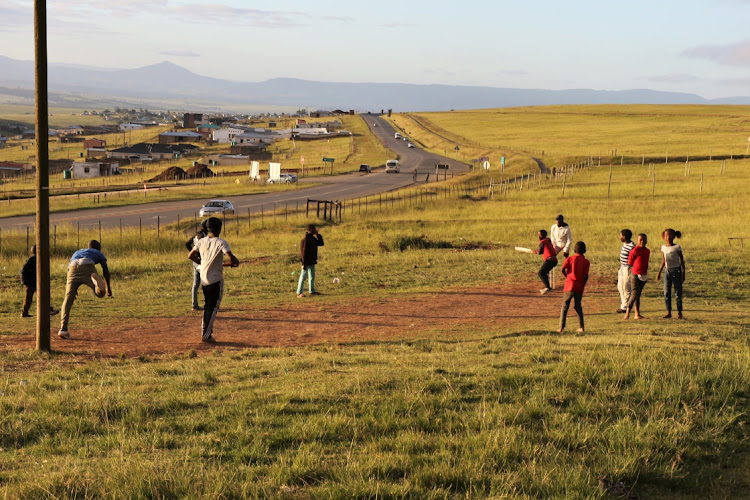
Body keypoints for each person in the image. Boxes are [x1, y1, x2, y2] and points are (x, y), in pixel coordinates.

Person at [188, 217, 239, 343]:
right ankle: (206, 335)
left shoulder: (201, 241)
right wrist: (234, 261)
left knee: (207, 306)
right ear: (219, 229)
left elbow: (190, 255)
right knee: (213, 307)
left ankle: (205, 331)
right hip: (215, 279)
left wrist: (201, 262)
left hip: (204, 278)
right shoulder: (221, 242)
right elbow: (230, 257)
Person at [58, 240, 112, 339]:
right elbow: (105, 270)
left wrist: (72, 285)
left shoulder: (77, 252)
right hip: (87, 266)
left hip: (73, 267)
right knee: (100, 294)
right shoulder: (98, 252)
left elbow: (68, 268)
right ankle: (98, 286)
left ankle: (63, 329)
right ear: (98, 248)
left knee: (68, 299)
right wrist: (108, 288)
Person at [558, 241, 590, 333]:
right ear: (584, 251)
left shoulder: (570, 259)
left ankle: (561, 327)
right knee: (577, 306)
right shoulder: (586, 262)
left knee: (565, 306)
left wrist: (567, 276)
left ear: (574, 250)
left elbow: (563, 269)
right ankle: (581, 327)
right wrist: (583, 284)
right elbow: (586, 275)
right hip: (579, 286)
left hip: (569, 285)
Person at [20, 245, 59, 318]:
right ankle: (24, 313)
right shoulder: (33, 260)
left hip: (35, 282)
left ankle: (48, 310)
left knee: (40, 296)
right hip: (32, 282)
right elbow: (23, 271)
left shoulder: (36, 259)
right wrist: (25, 281)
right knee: (31, 298)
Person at [656, 228, 685, 319]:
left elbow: (682, 260)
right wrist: (659, 272)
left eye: (669, 235)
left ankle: (679, 312)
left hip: (676, 271)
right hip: (667, 271)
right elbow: (663, 261)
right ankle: (668, 311)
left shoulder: (677, 247)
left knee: (677, 292)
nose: (668, 237)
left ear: (673, 236)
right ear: (664, 237)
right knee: (666, 292)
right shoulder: (663, 248)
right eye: (666, 235)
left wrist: (683, 273)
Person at [623, 233, 650, 320]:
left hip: (644, 274)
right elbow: (630, 263)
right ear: (637, 241)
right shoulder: (634, 251)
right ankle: (627, 313)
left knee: (638, 294)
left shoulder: (647, 251)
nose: (642, 241)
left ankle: (637, 314)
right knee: (634, 294)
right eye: (640, 240)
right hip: (635, 274)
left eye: (644, 240)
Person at [185, 219, 208, 312]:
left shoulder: (196, 234)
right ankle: (208, 304)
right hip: (202, 261)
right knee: (206, 282)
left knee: (196, 283)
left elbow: (187, 244)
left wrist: (193, 254)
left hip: (195, 261)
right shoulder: (204, 235)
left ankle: (194, 305)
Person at [297, 224, 325, 298]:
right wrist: (303, 263)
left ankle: (312, 291)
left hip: (312, 260)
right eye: (313, 229)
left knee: (312, 276)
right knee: (303, 277)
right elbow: (303, 252)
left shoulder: (313, 238)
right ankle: (299, 292)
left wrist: (318, 235)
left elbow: (321, 243)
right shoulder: (305, 240)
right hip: (306, 262)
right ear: (309, 230)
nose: (315, 230)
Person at [616, 229, 635, 314]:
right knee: (620, 286)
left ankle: (625, 306)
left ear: (624, 237)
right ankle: (623, 304)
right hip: (622, 267)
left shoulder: (631, 246)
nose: (620, 237)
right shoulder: (625, 244)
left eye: (620, 236)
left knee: (626, 287)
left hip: (628, 268)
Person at [533, 229, 557, 294]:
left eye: (539, 235)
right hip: (554, 260)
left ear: (543, 235)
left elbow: (539, 252)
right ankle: (548, 287)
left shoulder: (542, 242)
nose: (538, 236)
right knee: (544, 272)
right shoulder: (548, 240)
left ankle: (548, 288)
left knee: (541, 273)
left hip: (550, 260)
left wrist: (535, 251)